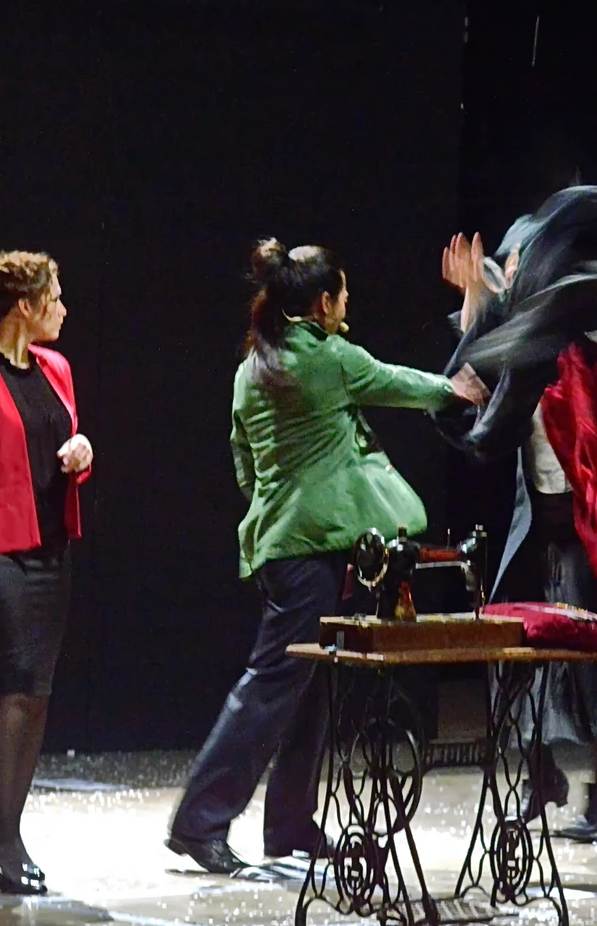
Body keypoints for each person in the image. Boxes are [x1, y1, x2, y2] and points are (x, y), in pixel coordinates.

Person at [166, 239, 489, 874]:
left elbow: (243, 459)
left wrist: (282, 509)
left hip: (281, 544)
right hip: (309, 552)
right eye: (342, 297)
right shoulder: (329, 358)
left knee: (307, 687)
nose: (347, 307)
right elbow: (398, 384)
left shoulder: (253, 366)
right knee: (272, 684)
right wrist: (455, 389)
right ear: (321, 303)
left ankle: (289, 824)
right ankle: (199, 821)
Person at [437, 180, 597, 838]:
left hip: (593, 523)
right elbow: (470, 409)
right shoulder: (525, 341)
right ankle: (539, 775)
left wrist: (526, 305)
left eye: (524, 260)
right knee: (514, 648)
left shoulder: (595, 331)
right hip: (539, 521)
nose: (514, 268)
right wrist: (477, 309)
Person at [0, 251, 93, 895]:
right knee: (13, 687)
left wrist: (82, 453)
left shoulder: (57, 369)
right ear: (24, 308)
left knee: (38, 694)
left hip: (52, 547)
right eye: (53, 298)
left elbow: (65, 445)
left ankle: (2, 835)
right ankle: (1, 839)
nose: (62, 308)